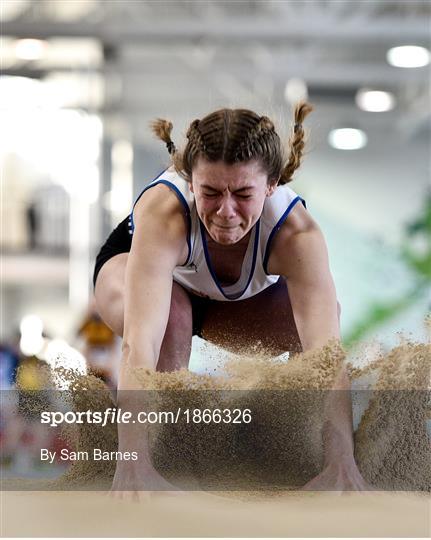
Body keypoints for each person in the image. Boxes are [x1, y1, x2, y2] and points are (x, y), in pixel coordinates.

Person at [94, 102, 370, 498]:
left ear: (271, 184)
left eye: (243, 193)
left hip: (226, 306)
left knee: (317, 324)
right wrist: (131, 463)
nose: (226, 211)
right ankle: (167, 454)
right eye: (209, 192)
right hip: (137, 280)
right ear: (191, 182)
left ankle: (297, 448)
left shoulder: (297, 236)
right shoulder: (164, 212)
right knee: (171, 315)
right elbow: (140, 347)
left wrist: (342, 462)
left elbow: (326, 359)